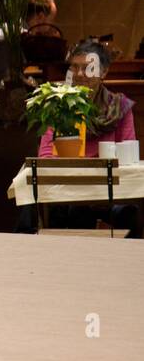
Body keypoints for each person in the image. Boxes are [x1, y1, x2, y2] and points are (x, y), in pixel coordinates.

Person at [16, 40, 139, 236]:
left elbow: (127, 157)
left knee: (126, 211)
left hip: (105, 190)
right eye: (75, 67)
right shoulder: (59, 106)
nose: (80, 74)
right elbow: (46, 156)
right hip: (65, 188)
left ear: (103, 72)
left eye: (88, 68)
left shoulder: (119, 108)